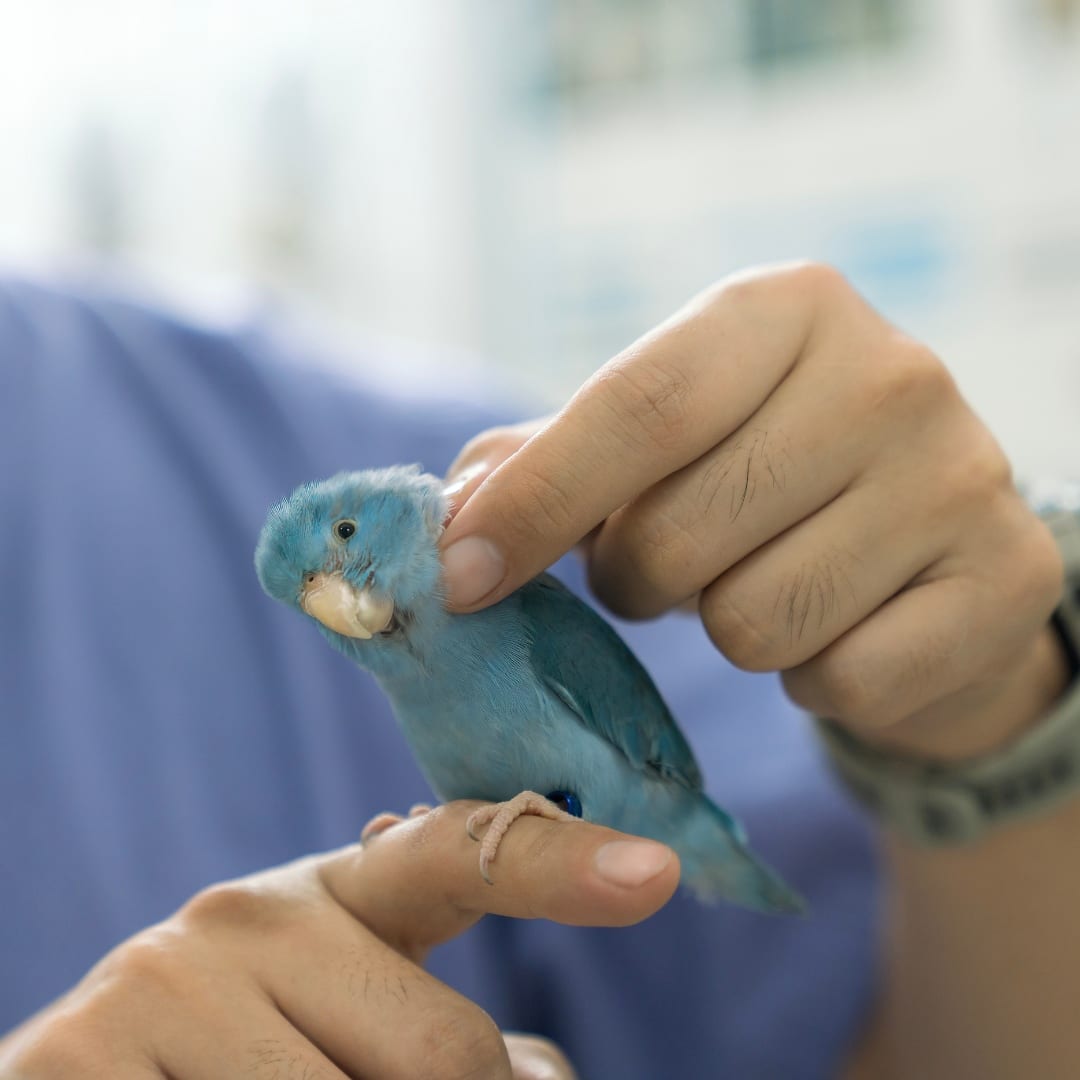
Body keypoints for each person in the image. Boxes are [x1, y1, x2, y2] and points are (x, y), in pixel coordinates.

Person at [0, 263, 1073, 1079]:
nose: (337, 595)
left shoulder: (256, 422)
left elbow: (896, 1024)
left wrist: (987, 704)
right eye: (308, 599)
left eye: (338, 541)